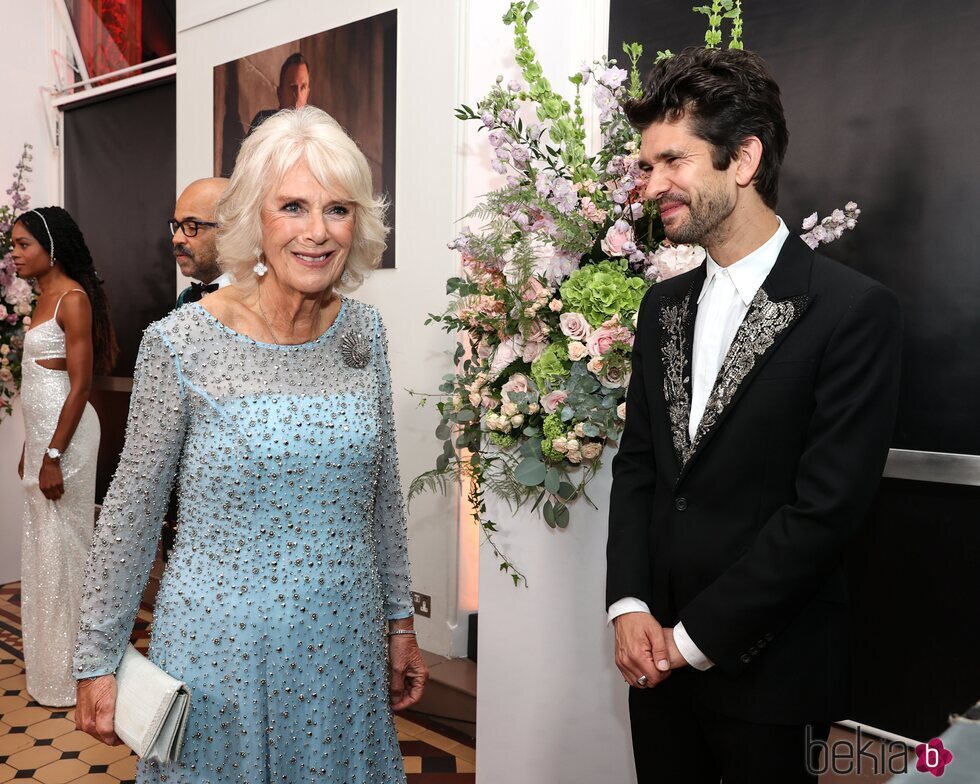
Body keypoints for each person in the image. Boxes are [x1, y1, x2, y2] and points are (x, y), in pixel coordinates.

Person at [73, 105, 427, 783]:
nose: (318, 233)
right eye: (292, 206)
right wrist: (97, 658)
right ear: (254, 219)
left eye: (337, 209)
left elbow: (381, 496)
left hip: (343, 647)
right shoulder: (180, 344)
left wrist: (400, 622)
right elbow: (131, 514)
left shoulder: (365, 335)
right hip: (220, 656)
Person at [606, 47, 901, 783]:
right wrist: (629, 603)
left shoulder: (852, 312)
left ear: (743, 159)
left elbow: (825, 511)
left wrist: (692, 638)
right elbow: (640, 465)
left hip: (774, 677)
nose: (652, 186)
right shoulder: (661, 308)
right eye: (647, 166)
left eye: (672, 162)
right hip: (656, 675)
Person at [11, 206, 118, 707]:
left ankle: (81, 671)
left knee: (64, 552)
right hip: (45, 442)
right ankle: (52, 670)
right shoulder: (39, 299)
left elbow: (79, 386)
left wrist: (52, 453)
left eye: (23, 244)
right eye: (13, 245)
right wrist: (30, 449)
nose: (15, 254)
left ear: (50, 246)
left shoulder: (71, 299)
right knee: (42, 555)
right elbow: (36, 383)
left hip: (69, 442)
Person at [172, 177, 230, 306]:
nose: (176, 239)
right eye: (177, 226)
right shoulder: (186, 298)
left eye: (192, 227)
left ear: (231, 230)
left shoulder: (259, 302)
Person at [248, 53, 311, 135]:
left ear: (307, 94)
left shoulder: (314, 133)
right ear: (280, 93)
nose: (298, 96)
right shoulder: (263, 124)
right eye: (292, 87)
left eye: (303, 87)